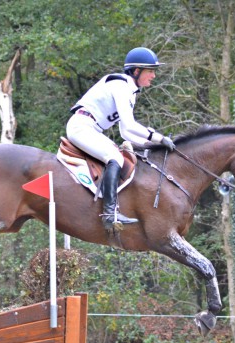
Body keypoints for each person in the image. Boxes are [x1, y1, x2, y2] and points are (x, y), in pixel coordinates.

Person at [66, 47, 175, 231]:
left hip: (91, 128)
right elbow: (131, 126)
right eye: (150, 71)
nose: (154, 76)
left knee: (120, 156)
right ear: (136, 71)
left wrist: (150, 145)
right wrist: (159, 137)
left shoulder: (130, 92)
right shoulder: (121, 86)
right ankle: (109, 214)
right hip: (81, 126)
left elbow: (125, 132)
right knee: (114, 158)